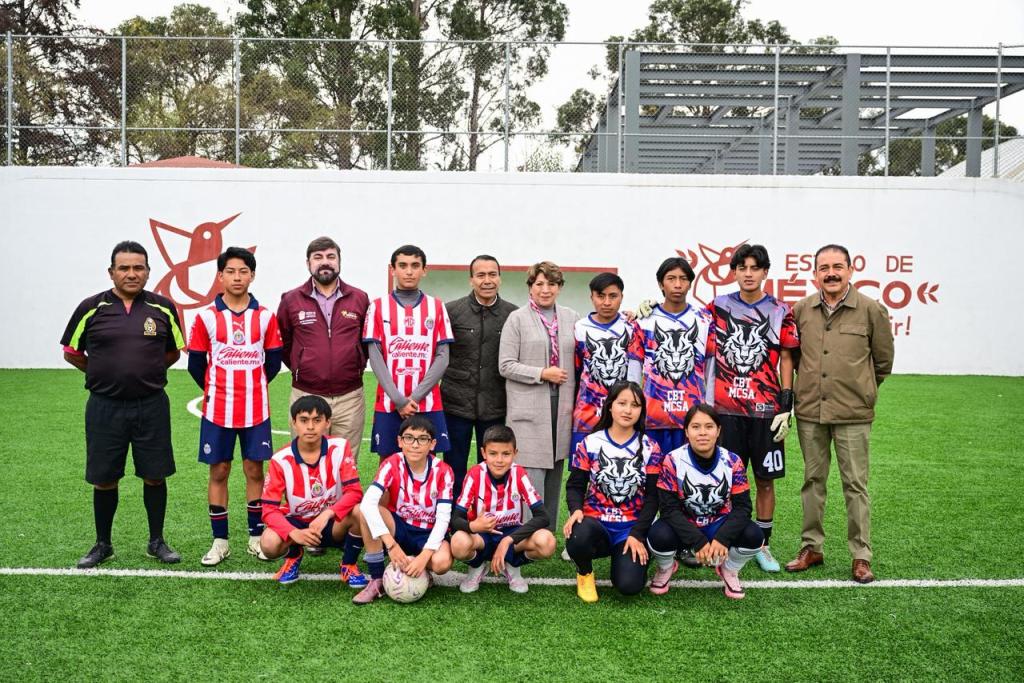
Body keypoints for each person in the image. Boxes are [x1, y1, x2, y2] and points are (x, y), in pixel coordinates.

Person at [61, 240, 185, 568]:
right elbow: (72, 352)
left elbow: (173, 351)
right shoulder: (90, 307)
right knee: (104, 478)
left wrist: (146, 372)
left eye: (138, 268)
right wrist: (103, 373)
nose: (132, 274)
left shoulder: (163, 308)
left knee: (155, 476)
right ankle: (103, 544)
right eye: (124, 268)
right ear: (111, 272)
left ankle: (156, 541)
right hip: (105, 407)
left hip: (152, 405)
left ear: (147, 272)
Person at [785, 244, 895, 584]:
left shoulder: (870, 309)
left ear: (850, 270)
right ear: (814, 273)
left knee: (855, 485)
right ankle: (811, 547)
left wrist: (862, 389)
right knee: (813, 481)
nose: (831, 273)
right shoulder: (801, 309)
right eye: (824, 267)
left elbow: (883, 361)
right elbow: (794, 357)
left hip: (853, 413)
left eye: (837, 266)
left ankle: (861, 556)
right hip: (810, 412)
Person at [187, 247, 284, 566]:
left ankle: (256, 537)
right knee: (220, 470)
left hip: (256, 409)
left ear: (252, 275)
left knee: (255, 469)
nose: (237, 277)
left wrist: (251, 387)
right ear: (220, 275)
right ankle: (220, 541)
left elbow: (272, 363)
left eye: (243, 271)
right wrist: (218, 390)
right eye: (230, 271)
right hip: (218, 410)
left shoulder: (265, 316)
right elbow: (196, 364)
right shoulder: (205, 317)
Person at [705, 244, 799, 573]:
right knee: (727, 479)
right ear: (734, 272)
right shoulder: (718, 306)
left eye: (754, 267)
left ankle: (763, 544)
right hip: (725, 410)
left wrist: (786, 402)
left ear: (764, 272)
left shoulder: (779, 310)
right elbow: (686, 327)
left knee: (765, 480)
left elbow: (787, 356)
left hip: (765, 411)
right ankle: (725, 540)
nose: (748, 273)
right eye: (742, 267)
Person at [647, 404, 765, 600]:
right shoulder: (672, 460)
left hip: (718, 523)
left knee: (754, 536)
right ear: (686, 431)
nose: (702, 433)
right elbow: (668, 509)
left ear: (718, 431)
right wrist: (698, 541)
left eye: (709, 427)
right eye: (695, 427)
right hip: (684, 524)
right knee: (657, 536)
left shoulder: (732, 461)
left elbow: (743, 508)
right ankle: (666, 567)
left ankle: (729, 569)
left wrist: (722, 539)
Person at [498, 261, 581, 534]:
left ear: (559, 287)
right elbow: (506, 365)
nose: (545, 290)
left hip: (562, 403)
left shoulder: (571, 317)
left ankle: (547, 533)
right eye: (539, 284)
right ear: (530, 287)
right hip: (530, 405)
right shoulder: (517, 318)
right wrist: (542, 373)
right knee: (531, 472)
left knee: (556, 468)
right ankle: (526, 533)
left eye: (552, 284)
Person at [564, 381, 663, 603]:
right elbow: (575, 485)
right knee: (578, 533)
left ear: (642, 411)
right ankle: (584, 572)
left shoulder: (650, 448)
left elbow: (652, 497)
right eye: (622, 403)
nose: (628, 410)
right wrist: (576, 510)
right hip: (595, 524)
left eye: (635, 405)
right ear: (610, 406)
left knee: (629, 586)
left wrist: (638, 533)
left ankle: (633, 558)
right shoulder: (590, 442)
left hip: (629, 529)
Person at [277, 236, 369, 460]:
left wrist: (353, 365)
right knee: (306, 460)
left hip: (350, 397)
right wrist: (303, 366)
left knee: (345, 463)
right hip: (306, 394)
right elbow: (284, 343)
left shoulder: (359, 298)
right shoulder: (291, 300)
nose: (325, 262)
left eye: (330, 257)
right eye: (318, 257)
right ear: (308, 263)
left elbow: (365, 343)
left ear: (339, 261)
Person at [259, 395, 366, 585]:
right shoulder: (280, 459)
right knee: (268, 544)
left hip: (333, 523)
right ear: (293, 423)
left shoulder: (340, 447)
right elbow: (269, 510)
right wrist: (294, 534)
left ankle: (348, 564)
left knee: (361, 511)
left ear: (327, 423)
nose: (310, 427)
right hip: (298, 522)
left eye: (317, 420)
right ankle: (294, 554)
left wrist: (326, 515)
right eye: (304, 420)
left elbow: (355, 492)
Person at [351, 415, 455, 605]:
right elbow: (367, 503)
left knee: (442, 563)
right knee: (362, 510)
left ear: (432, 444)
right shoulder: (392, 463)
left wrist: (424, 557)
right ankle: (377, 579)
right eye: (409, 438)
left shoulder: (444, 471)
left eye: (422, 439)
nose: (415, 445)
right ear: (400, 441)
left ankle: (421, 570)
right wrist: (391, 545)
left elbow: (443, 519)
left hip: (428, 532)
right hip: (399, 527)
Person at [364, 244, 453, 460]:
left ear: (424, 270)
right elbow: (375, 356)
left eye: (415, 265)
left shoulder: (437, 307)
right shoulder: (377, 306)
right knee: (388, 464)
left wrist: (413, 397)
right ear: (393, 270)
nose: (409, 271)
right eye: (403, 265)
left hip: (428, 401)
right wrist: (398, 399)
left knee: (429, 463)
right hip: (389, 402)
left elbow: (443, 357)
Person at [441, 255, 518, 498]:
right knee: (454, 467)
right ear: (471, 279)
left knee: (492, 468)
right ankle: (454, 519)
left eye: (492, 274)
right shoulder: (452, 311)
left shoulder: (513, 315)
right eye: (481, 275)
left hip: (496, 405)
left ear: (500, 278)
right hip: (456, 405)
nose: (487, 280)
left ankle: (487, 516)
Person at [450, 425, 557, 594]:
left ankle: (512, 565)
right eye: (493, 453)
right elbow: (456, 518)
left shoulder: (519, 474)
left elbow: (543, 517)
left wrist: (508, 540)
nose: (499, 460)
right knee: (458, 542)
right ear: (484, 453)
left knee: (547, 542)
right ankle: (477, 566)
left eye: (506, 454)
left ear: (515, 453)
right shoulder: (475, 474)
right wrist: (474, 527)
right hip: (482, 535)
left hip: (512, 533)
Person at [636, 257, 713, 456]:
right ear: (661, 284)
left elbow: (711, 369)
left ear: (690, 284)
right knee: (651, 480)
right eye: (671, 278)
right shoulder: (644, 320)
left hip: (692, 419)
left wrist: (709, 410)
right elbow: (633, 371)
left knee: (689, 477)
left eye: (683, 279)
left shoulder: (704, 320)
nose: (677, 284)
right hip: (653, 416)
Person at [571, 272, 644, 454]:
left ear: (621, 297)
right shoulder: (579, 328)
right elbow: (577, 369)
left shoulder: (631, 326)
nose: (606, 302)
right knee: (583, 470)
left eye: (613, 296)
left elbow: (635, 373)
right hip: (587, 412)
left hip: (621, 414)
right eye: (600, 296)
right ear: (592, 297)